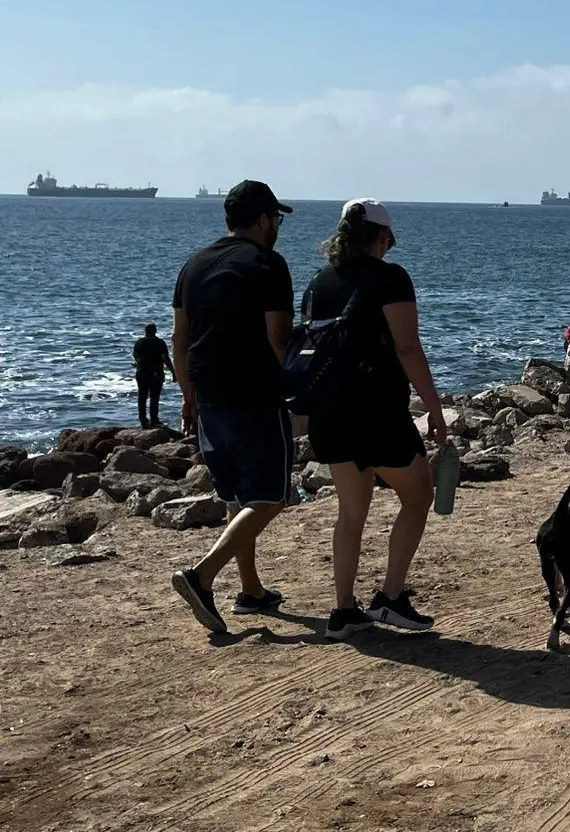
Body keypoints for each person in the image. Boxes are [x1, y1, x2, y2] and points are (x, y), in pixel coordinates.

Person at [303, 198, 448, 640]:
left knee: (351, 512)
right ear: (382, 237)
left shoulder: (318, 283)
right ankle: (390, 597)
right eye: (389, 239)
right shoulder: (391, 278)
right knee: (418, 496)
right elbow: (407, 348)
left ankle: (344, 610)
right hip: (377, 413)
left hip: (329, 413)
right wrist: (434, 406)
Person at [169, 180, 296, 634]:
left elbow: (179, 339)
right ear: (262, 220)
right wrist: (301, 391)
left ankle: (251, 591)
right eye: (276, 219)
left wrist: (187, 396)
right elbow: (278, 338)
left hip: (206, 395)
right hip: (255, 394)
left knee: (237, 497)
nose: (277, 226)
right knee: (273, 496)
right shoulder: (267, 264)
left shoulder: (193, 265)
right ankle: (201, 575)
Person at [133, 324, 176, 429]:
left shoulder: (139, 342)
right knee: (154, 397)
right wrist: (173, 372)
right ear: (155, 331)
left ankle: (143, 421)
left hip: (141, 372)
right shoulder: (160, 342)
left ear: (145, 331)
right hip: (156, 373)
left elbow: (136, 357)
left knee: (142, 397)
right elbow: (165, 358)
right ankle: (154, 420)